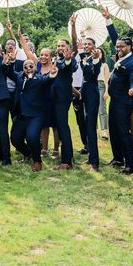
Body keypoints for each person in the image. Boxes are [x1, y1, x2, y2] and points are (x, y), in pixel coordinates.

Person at [2, 53, 57, 172]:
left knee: (32, 137)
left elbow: (48, 80)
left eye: (31, 66)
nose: (28, 68)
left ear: (35, 67)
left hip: (35, 115)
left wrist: (52, 74)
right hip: (21, 115)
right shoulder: (19, 77)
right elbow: (9, 72)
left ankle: (37, 161)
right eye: (25, 66)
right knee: (15, 139)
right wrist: (9, 62)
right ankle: (27, 153)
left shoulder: (40, 79)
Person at [102, 7, 133, 174]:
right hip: (115, 99)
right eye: (117, 47)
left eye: (122, 47)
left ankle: (130, 165)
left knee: (123, 131)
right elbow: (114, 38)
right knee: (113, 129)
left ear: (130, 47)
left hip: (125, 100)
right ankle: (117, 158)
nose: (118, 49)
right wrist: (108, 19)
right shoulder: (121, 55)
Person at [70, 18, 102, 171]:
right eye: (86, 44)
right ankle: (91, 158)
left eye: (90, 44)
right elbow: (77, 42)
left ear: (95, 47)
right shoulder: (84, 57)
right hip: (84, 94)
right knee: (86, 126)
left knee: (91, 127)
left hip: (92, 96)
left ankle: (95, 163)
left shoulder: (96, 59)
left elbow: (95, 73)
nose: (87, 46)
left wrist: (96, 59)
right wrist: (74, 26)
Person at [0, 42, 21, 166]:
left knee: (2, 130)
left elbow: (8, 70)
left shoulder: (3, 61)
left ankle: (6, 158)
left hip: (2, 102)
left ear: (1, 51)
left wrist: (8, 62)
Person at [49, 40, 77, 170]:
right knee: (59, 127)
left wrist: (67, 60)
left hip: (62, 98)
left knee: (62, 127)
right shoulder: (55, 59)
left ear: (68, 48)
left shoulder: (69, 59)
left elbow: (70, 67)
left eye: (63, 46)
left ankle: (67, 161)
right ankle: (67, 156)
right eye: (58, 45)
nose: (60, 47)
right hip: (52, 98)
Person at [97, 48, 110, 140]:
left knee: (102, 109)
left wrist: (106, 91)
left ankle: (104, 130)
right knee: (92, 109)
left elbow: (107, 80)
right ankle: (95, 130)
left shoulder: (104, 65)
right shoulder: (90, 63)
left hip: (101, 86)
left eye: (100, 52)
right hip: (92, 85)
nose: (98, 53)